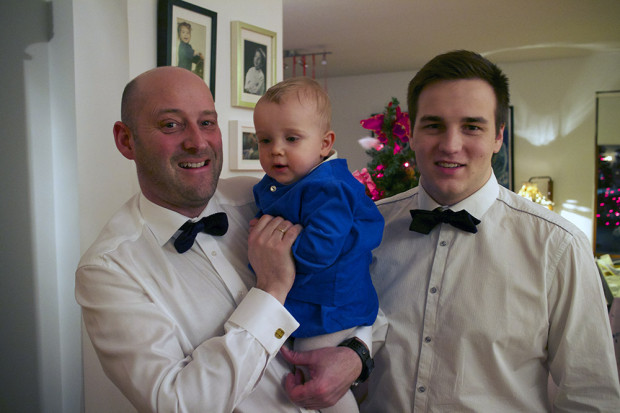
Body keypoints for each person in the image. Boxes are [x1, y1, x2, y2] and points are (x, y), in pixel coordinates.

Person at [75, 66, 367, 412]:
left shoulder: (264, 198)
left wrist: (357, 353)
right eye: (171, 124)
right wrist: (271, 291)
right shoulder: (108, 270)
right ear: (126, 140)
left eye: (207, 122)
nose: (197, 142)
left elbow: (354, 271)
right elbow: (177, 404)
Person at [361, 50, 620, 412]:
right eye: (433, 125)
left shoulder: (558, 247)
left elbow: (591, 396)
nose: (451, 145)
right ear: (412, 134)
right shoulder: (364, 230)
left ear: (498, 136)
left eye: (472, 127)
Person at [252, 77, 384, 412]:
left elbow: (320, 248)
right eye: (265, 140)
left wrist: (276, 247)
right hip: (313, 300)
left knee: (320, 379)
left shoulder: (329, 189)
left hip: (332, 306)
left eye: (291, 138)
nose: (276, 149)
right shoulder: (288, 182)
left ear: (325, 144)